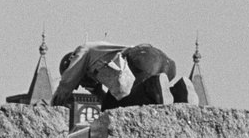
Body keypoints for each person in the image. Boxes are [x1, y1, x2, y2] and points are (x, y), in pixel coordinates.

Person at [51, 42, 179, 110]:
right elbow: (110, 99)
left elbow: (67, 80)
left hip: (141, 60)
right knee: (141, 103)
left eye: (79, 82)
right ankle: (179, 93)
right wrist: (96, 90)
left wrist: (55, 105)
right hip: (165, 64)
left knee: (112, 107)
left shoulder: (83, 52)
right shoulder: (100, 58)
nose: (82, 84)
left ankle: (152, 85)